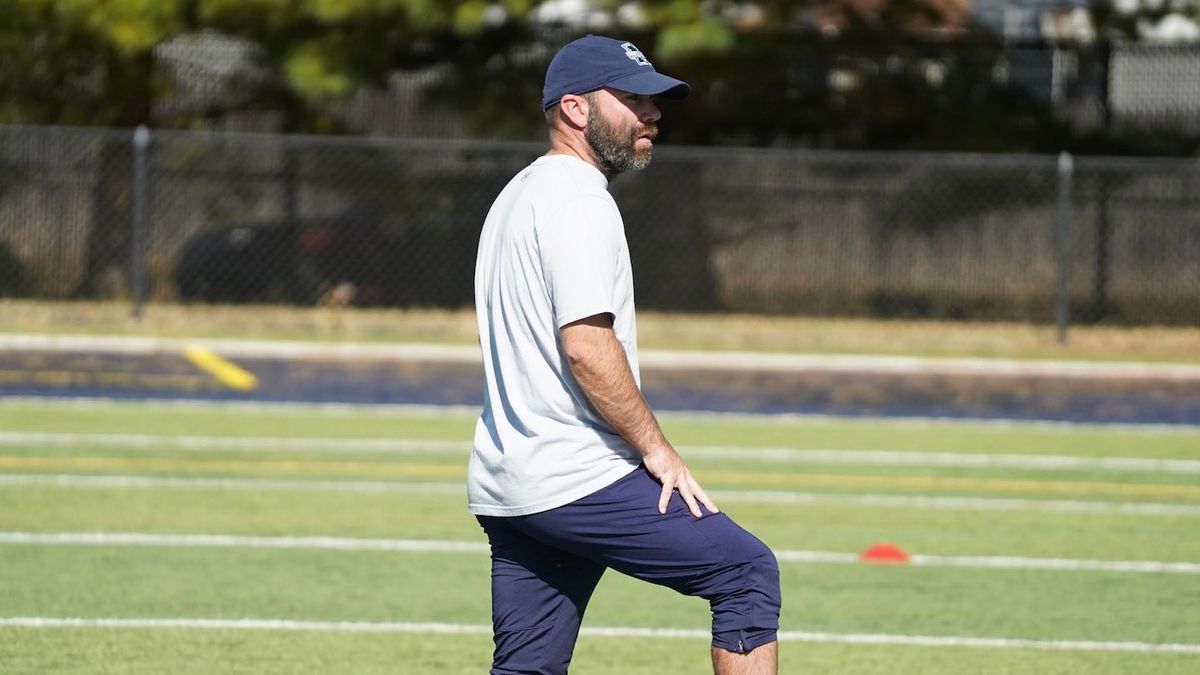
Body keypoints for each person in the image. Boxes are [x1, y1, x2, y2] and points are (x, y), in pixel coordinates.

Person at [469, 34, 781, 675]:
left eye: (655, 101)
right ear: (576, 110)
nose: (652, 114)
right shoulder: (580, 199)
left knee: (529, 666)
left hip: (512, 482)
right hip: (576, 477)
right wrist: (656, 449)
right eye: (633, 99)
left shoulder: (519, 193)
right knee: (745, 571)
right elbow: (586, 346)